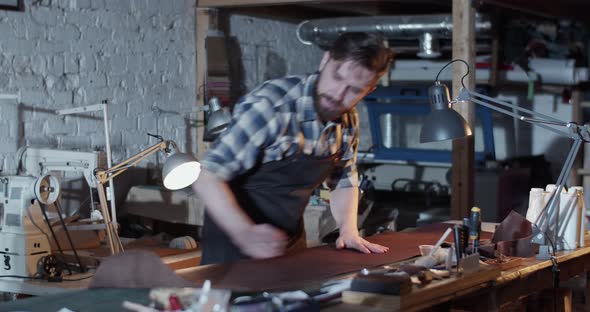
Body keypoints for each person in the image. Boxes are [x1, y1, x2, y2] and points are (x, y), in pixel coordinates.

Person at [193, 32, 394, 265]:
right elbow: (207, 176)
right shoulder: (270, 106)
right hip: (234, 243)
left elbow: (344, 178)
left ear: (369, 90)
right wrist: (244, 233)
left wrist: (348, 230)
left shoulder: (347, 120)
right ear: (325, 60)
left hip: (289, 241)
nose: (338, 94)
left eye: (354, 90)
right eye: (337, 77)